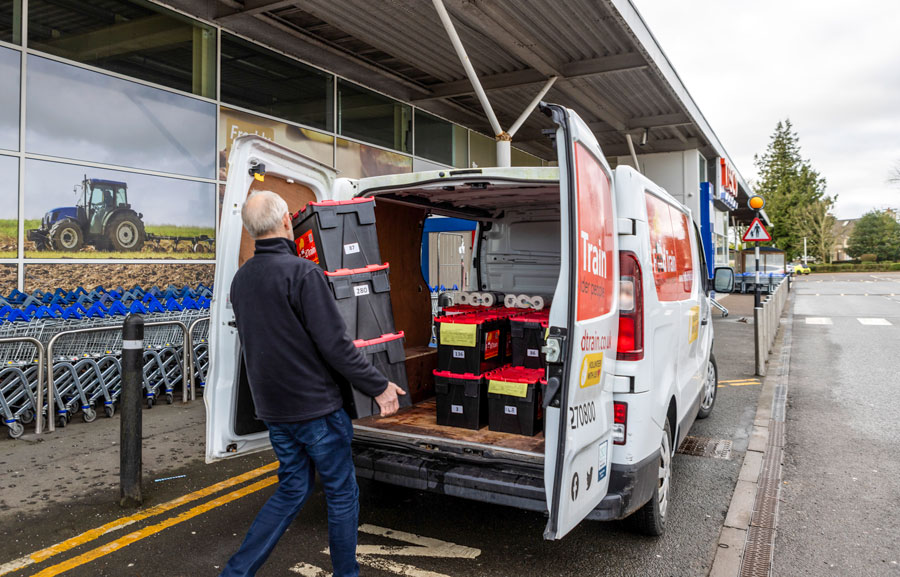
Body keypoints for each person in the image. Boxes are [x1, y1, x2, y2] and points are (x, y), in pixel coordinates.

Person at [221, 190, 406, 577]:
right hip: (316, 411)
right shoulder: (303, 274)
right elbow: (337, 347)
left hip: (274, 411)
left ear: (250, 230)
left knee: (292, 489)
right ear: (287, 221)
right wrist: (379, 385)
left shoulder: (241, 281)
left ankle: (236, 572)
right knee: (342, 493)